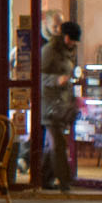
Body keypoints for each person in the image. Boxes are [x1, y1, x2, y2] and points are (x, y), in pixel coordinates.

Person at [40, 21, 81, 192]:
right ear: (65, 37)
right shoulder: (49, 51)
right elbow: (38, 76)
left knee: (52, 145)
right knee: (57, 144)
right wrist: (56, 80)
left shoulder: (69, 52)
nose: (74, 44)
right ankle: (65, 182)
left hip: (61, 104)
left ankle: (44, 179)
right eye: (72, 40)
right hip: (49, 105)